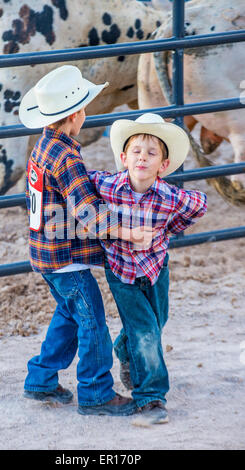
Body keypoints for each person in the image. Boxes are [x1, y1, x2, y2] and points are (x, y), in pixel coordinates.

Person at [18, 65, 152, 416]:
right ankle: (95, 392)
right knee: (92, 320)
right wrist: (128, 232)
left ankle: (41, 378)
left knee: (69, 313)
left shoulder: (44, 146)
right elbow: (89, 213)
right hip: (66, 258)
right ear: (77, 114)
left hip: (47, 252)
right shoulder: (67, 157)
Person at [88, 112, 207, 426]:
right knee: (145, 333)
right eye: (136, 151)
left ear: (163, 165)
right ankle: (151, 399)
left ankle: (123, 349)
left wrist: (167, 231)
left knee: (157, 323)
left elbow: (200, 203)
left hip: (156, 269)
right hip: (121, 272)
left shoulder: (170, 196)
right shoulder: (108, 185)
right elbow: (81, 182)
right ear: (124, 158)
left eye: (152, 153)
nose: (143, 157)